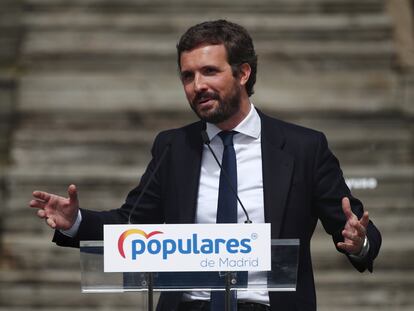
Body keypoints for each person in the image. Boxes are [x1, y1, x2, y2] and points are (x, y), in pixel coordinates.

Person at [29, 20, 381, 311]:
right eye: (187, 76)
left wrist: (359, 240)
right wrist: (75, 221)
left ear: (243, 73)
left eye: (210, 72)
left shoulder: (304, 147)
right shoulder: (173, 146)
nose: (198, 86)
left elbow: (355, 226)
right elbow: (130, 224)